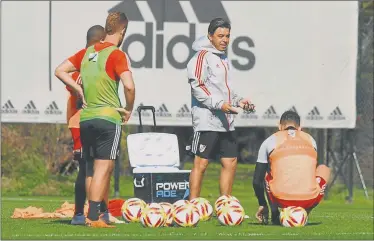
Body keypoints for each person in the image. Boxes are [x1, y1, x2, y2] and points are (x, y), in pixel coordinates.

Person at [55, 12, 135, 228]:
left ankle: (91, 215)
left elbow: (60, 70)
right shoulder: (117, 54)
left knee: (89, 168)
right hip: (107, 117)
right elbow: (129, 85)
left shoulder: (86, 53)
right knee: (103, 167)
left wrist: (78, 88)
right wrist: (128, 109)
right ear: (123, 30)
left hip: (85, 119)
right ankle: (94, 216)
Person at [186, 17, 255, 200]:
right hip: (207, 120)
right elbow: (197, 86)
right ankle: (193, 205)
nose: (224, 40)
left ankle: (225, 204)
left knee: (230, 161)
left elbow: (226, 90)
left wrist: (240, 101)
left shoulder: (223, 58)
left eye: (227, 36)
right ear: (210, 37)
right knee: (201, 163)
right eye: (220, 36)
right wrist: (219, 105)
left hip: (225, 120)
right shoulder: (201, 56)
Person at [252, 110, 330, 225]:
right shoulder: (311, 140)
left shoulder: (270, 141)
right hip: (309, 199)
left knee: (264, 171)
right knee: (323, 168)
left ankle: (274, 213)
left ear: (279, 126)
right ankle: (305, 212)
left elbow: (256, 181)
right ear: (299, 128)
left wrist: (262, 204)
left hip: (280, 199)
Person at [65, 25, 107, 225]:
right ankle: (80, 214)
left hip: (92, 119)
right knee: (86, 168)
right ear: (99, 41)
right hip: (81, 121)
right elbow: (75, 91)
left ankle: (99, 213)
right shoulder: (85, 59)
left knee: (101, 166)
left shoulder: (95, 59)